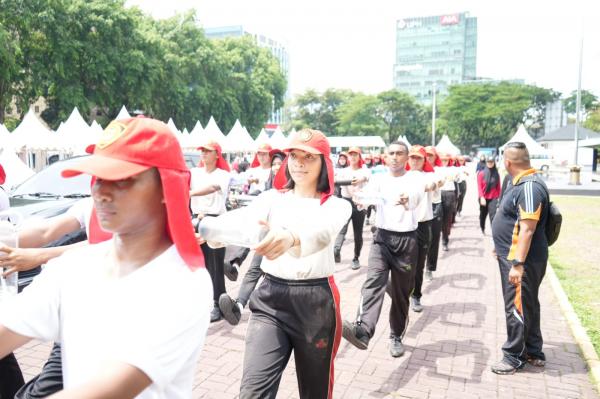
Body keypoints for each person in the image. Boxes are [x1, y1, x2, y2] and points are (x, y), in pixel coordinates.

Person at [0, 117, 213, 398]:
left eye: (122, 180)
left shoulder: (185, 283)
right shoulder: (73, 268)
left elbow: (110, 389)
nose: (101, 191)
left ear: (167, 188)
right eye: (99, 177)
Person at [208, 129, 350, 398]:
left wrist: (291, 238)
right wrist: (209, 230)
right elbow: (242, 221)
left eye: (309, 157)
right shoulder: (271, 198)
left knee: (315, 392)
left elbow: (322, 232)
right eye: (294, 156)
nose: (299, 163)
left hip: (316, 303)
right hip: (270, 300)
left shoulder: (337, 206)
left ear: (324, 164)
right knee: (252, 392)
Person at [342, 141, 424, 358]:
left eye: (400, 154)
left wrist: (408, 200)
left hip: (407, 242)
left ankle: (396, 335)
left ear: (407, 158)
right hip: (382, 239)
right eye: (391, 154)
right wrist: (361, 201)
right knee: (373, 281)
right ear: (385, 157)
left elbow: (416, 196)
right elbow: (365, 196)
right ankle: (363, 330)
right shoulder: (379, 179)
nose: (395, 157)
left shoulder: (414, 178)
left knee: (400, 294)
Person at [491, 141, 550, 375]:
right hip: (516, 256)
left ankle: (513, 356)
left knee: (516, 306)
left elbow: (527, 229)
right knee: (527, 303)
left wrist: (517, 263)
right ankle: (534, 350)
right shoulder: (523, 183)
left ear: (507, 162)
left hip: (521, 262)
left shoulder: (529, 187)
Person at [218, 149, 286, 326]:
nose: (276, 167)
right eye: (274, 164)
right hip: (266, 238)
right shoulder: (269, 191)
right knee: (254, 269)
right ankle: (238, 306)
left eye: (280, 164)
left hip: (288, 245)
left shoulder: (295, 192)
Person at [190, 140, 232, 322]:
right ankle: (206, 302)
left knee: (215, 264)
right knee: (199, 265)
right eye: (202, 151)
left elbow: (213, 188)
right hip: (196, 219)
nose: (204, 154)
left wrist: (190, 193)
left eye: (208, 151)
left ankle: (218, 303)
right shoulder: (194, 172)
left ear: (217, 154)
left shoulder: (223, 174)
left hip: (215, 220)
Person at [404, 145, 437, 312]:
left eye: (418, 158)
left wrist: (425, 187)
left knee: (418, 264)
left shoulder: (429, 175)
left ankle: (416, 296)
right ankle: (403, 293)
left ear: (424, 160)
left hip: (423, 225)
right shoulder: (402, 175)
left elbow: (433, 184)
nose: (415, 160)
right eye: (412, 157)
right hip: (404, 224)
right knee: (405, 263)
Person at [333, 146, 370, 269]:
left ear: (359, 157)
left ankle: (356, 258)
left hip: (359, 204)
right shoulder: (344, 171)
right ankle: (336, 250)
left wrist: (360, 179)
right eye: (351, 154)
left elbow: (365, 177)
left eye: (355, 155)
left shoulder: (364, 170)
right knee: (341, 228)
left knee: (357, 233)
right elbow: (335, 179)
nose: (353, 157)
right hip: (346, 202)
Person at [424, 146, 444, 280]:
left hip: (435, 206)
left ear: (435, 157)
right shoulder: (416, 172)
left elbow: (440, 182)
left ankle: (429, 268)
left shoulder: (439, 170)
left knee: (433, 238)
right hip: (419, 207)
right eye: (426, 155)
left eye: (431, 155)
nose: (429, 157)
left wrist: (433, 185)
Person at [438, 153, 458, 251]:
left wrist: (456, 177)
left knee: (447, 219)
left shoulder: (453, 169)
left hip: (449, 194)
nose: (444, 162)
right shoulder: (436, 169)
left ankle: (445, 241)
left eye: (446, 160)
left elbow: (459, 178)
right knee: (437, 218)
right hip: (438, 194)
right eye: (442, 159)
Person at [478, 156, 502, 234]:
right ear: (486, 163)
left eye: (491, 162)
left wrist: (499, 198)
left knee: (493, 216)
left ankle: (494, 232)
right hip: (484, 198)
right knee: (483, 215)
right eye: (488, 162)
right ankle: (482, 227)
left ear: (494, 163)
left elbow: (498, 187)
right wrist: (481, 197)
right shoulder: (481, 173)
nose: (490, 163)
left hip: (493, 198)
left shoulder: (496, 173)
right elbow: (479, 187)